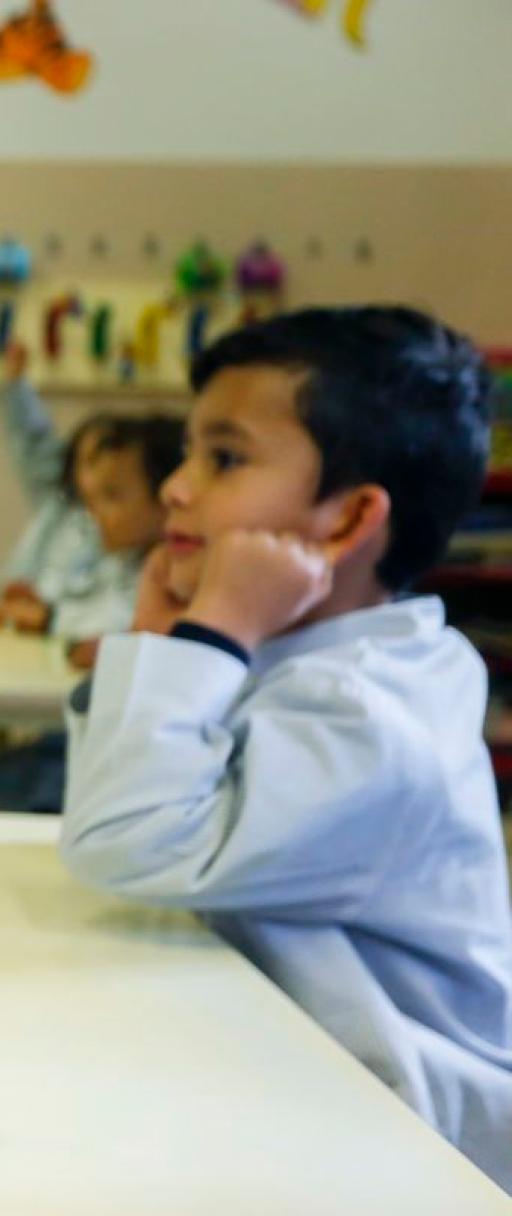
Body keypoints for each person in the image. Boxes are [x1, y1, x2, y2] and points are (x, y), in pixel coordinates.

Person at [60, 307, 512, 1190]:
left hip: (398, 1146)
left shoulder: (373, 717)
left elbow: (125, 843)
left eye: (224, 459)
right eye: (189, 453)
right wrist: (167, 646)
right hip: (278, 1070)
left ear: (349, 521)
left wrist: (205, 638)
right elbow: (115, 819)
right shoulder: (310, 659)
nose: (176, 489)